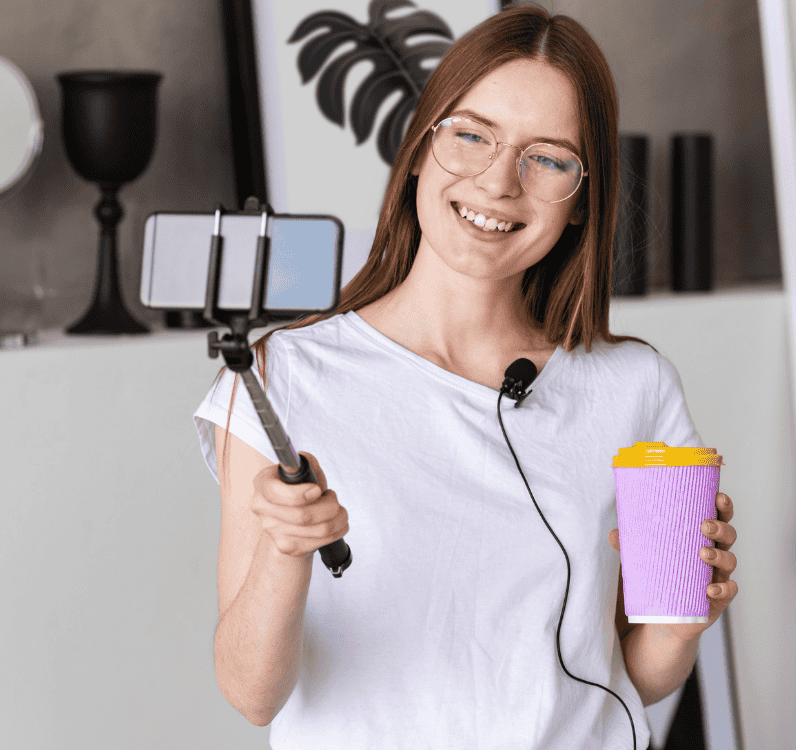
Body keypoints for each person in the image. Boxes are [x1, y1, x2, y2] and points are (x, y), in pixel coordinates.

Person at [192, 4, 737, 748]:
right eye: (472, 135)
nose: (498, 182)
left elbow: (625, 679)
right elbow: (252, 694)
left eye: (547, 158)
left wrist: (682, 622)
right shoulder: (282, 376)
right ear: (420, 149)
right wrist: (287, 552)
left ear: (582, 199)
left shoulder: (634, 386)